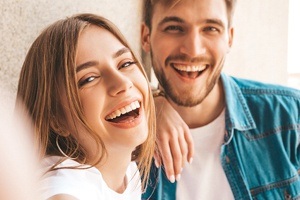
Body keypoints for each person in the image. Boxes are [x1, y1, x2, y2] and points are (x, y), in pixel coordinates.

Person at [141, 0, 300, 199]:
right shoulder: (128, 141)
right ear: (146, 37)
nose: (193, 50)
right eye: (174, 28)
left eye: (210, 29)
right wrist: (148, 103)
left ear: (229, 38)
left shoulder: (290, 116)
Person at [16, 13, 156, 200]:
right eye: (89, 79)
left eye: (125, 63)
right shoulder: (62, 192)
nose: (122, 83)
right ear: (56, 120)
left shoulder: (127, 173)